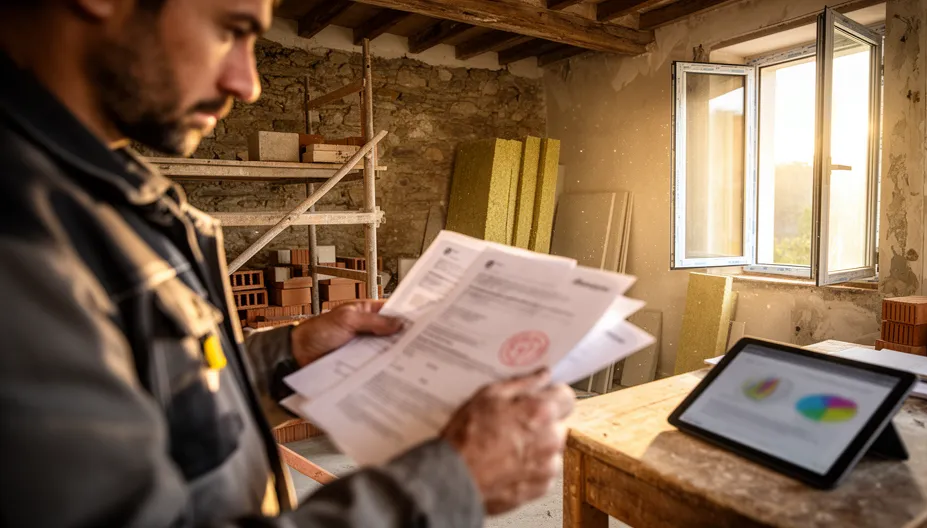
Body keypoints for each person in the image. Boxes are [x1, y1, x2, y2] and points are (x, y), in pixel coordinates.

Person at [0, 0, 576, 526]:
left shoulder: (98, 197)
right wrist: (446, 484)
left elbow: (160, 397)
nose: (247, 83)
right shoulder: (23, 239)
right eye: (231, 29)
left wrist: (290, 355)